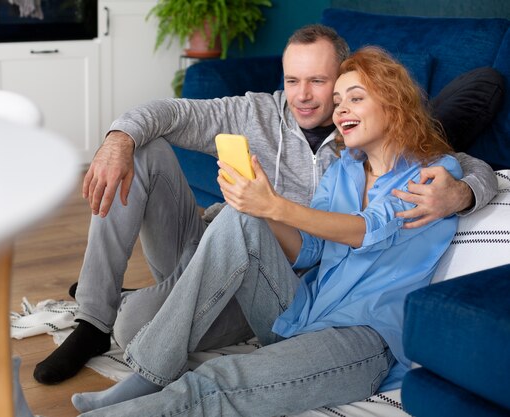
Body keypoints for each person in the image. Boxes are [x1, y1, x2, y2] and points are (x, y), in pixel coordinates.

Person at [33, 24, 496, 385]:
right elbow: (170, 112)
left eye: (319, 81)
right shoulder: (255, 111)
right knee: (144, 148)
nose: (303, 95)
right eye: (292, 80)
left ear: (345, 79)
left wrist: (463, 192)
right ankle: (93, 319)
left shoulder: (364, 134)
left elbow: (461, 163)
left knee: (134, 325)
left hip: (265, 278)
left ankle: (137, 305)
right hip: (202, 241)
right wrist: (119, 138)